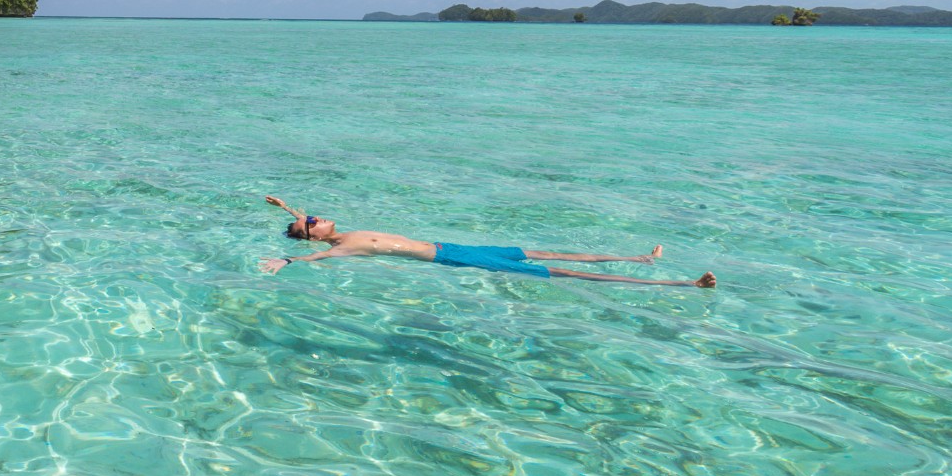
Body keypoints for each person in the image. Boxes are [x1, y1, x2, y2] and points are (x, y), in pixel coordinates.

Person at [259, 196, 715, 288]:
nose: (315, 217)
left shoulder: (341, 228)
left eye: (313, 216)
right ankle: (683, 286)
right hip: (451, 260)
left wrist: (285, 208)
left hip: (450, 245)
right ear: (312, 235)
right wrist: (286, 258)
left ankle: (639, 258)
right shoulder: (345, 246)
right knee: (558, 271)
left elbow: (303, 222)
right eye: (312, 220)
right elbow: (318, 253)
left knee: (546, 252)